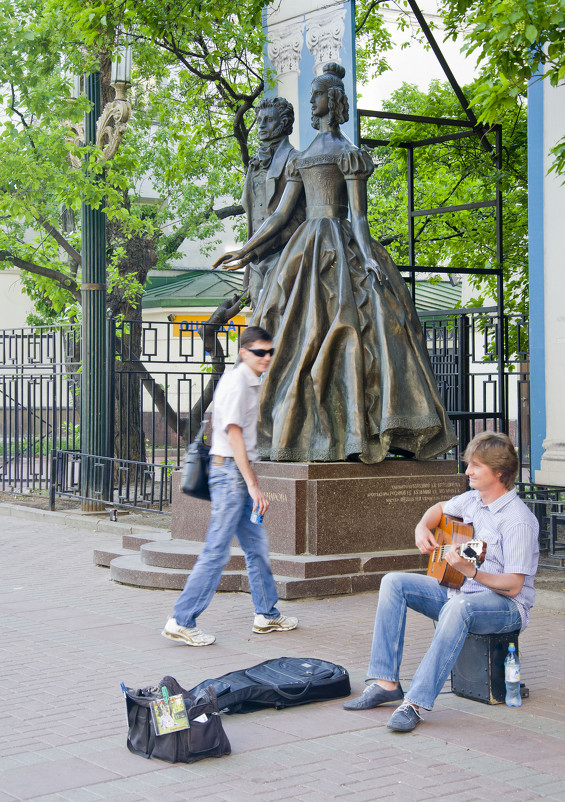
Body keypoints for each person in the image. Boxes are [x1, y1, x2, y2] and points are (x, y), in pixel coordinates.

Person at [215, 62, 456, 464]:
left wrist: (369, 260)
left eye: (317, 95)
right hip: (304, 247)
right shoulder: (303, 157)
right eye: (311, 95)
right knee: (296, 330)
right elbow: (278, 216)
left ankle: (357, 430)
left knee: (360, 326)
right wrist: (245, 248)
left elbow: (359, 218)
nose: (312, 102)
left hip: (340, 244)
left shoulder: (350, 155)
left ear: (334, 100)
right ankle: (296, 430)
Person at [343, 431, 539, 732]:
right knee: (393, 582)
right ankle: (386, 683)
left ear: (499, 473)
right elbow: (438, 510)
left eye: (476, 466)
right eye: (469, 464)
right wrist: (422, 527)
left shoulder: (517, 520)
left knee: (460, 607)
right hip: (462, 592)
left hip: (506, 608)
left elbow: (513, 585)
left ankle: (416, 703)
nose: (468, 471)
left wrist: (471, 572)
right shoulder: (473, 500)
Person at [162, 326, 298, 646]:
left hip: (232, 473)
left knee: (256, 546)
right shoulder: (238, 383)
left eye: (270, 352)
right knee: (217, 551)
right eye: (259, 352)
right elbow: (233, 434)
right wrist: (253, 484)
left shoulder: (249, 381)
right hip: (230, 477)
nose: (266, 358)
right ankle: (182, 620)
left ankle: (266, 613)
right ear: (244, 352)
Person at [238, 97, 306, 308]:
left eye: (268, 120)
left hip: (286, 254)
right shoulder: (254, 165)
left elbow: (301, 217)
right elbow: (252, 218)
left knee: (281, 323)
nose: (261, 125)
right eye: (259, 120)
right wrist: (247, 275)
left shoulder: (296, 160)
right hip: (257, 260)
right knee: (260, 330)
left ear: (284, 123)